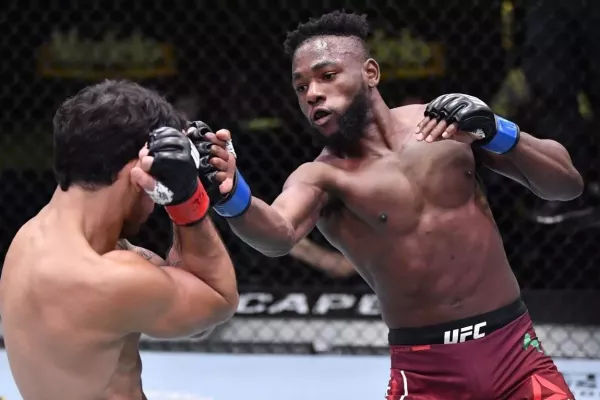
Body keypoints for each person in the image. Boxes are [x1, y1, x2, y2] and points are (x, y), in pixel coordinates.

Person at [203, 11, 583, 399]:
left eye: (327, 75)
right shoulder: (322, 177)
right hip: (427, 375)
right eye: (301, 87)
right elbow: (278, 234)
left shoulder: (447, 127)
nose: (312, 93)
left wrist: (499, 131)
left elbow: (566, 185)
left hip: (516, 356)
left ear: (370, 73)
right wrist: (232, 196)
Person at [0, 80, 239, 400]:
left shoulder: (36, 237)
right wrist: (187, 201)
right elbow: (217, 301)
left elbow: (193, 312)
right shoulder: (106, 278)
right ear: (140, 168)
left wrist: (188, 181)